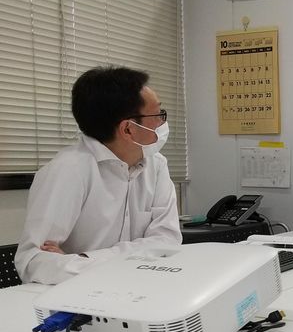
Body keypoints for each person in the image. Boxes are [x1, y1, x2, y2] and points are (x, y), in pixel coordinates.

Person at [15, 66, 182, 284]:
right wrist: (137, 256)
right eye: (158, 114)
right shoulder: (68, 170)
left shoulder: (156, 165)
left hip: (139, 286)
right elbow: (33, 262)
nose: (162, 122)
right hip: (80, 295)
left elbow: (167, 241)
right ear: (128, 129)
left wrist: (86, 260)